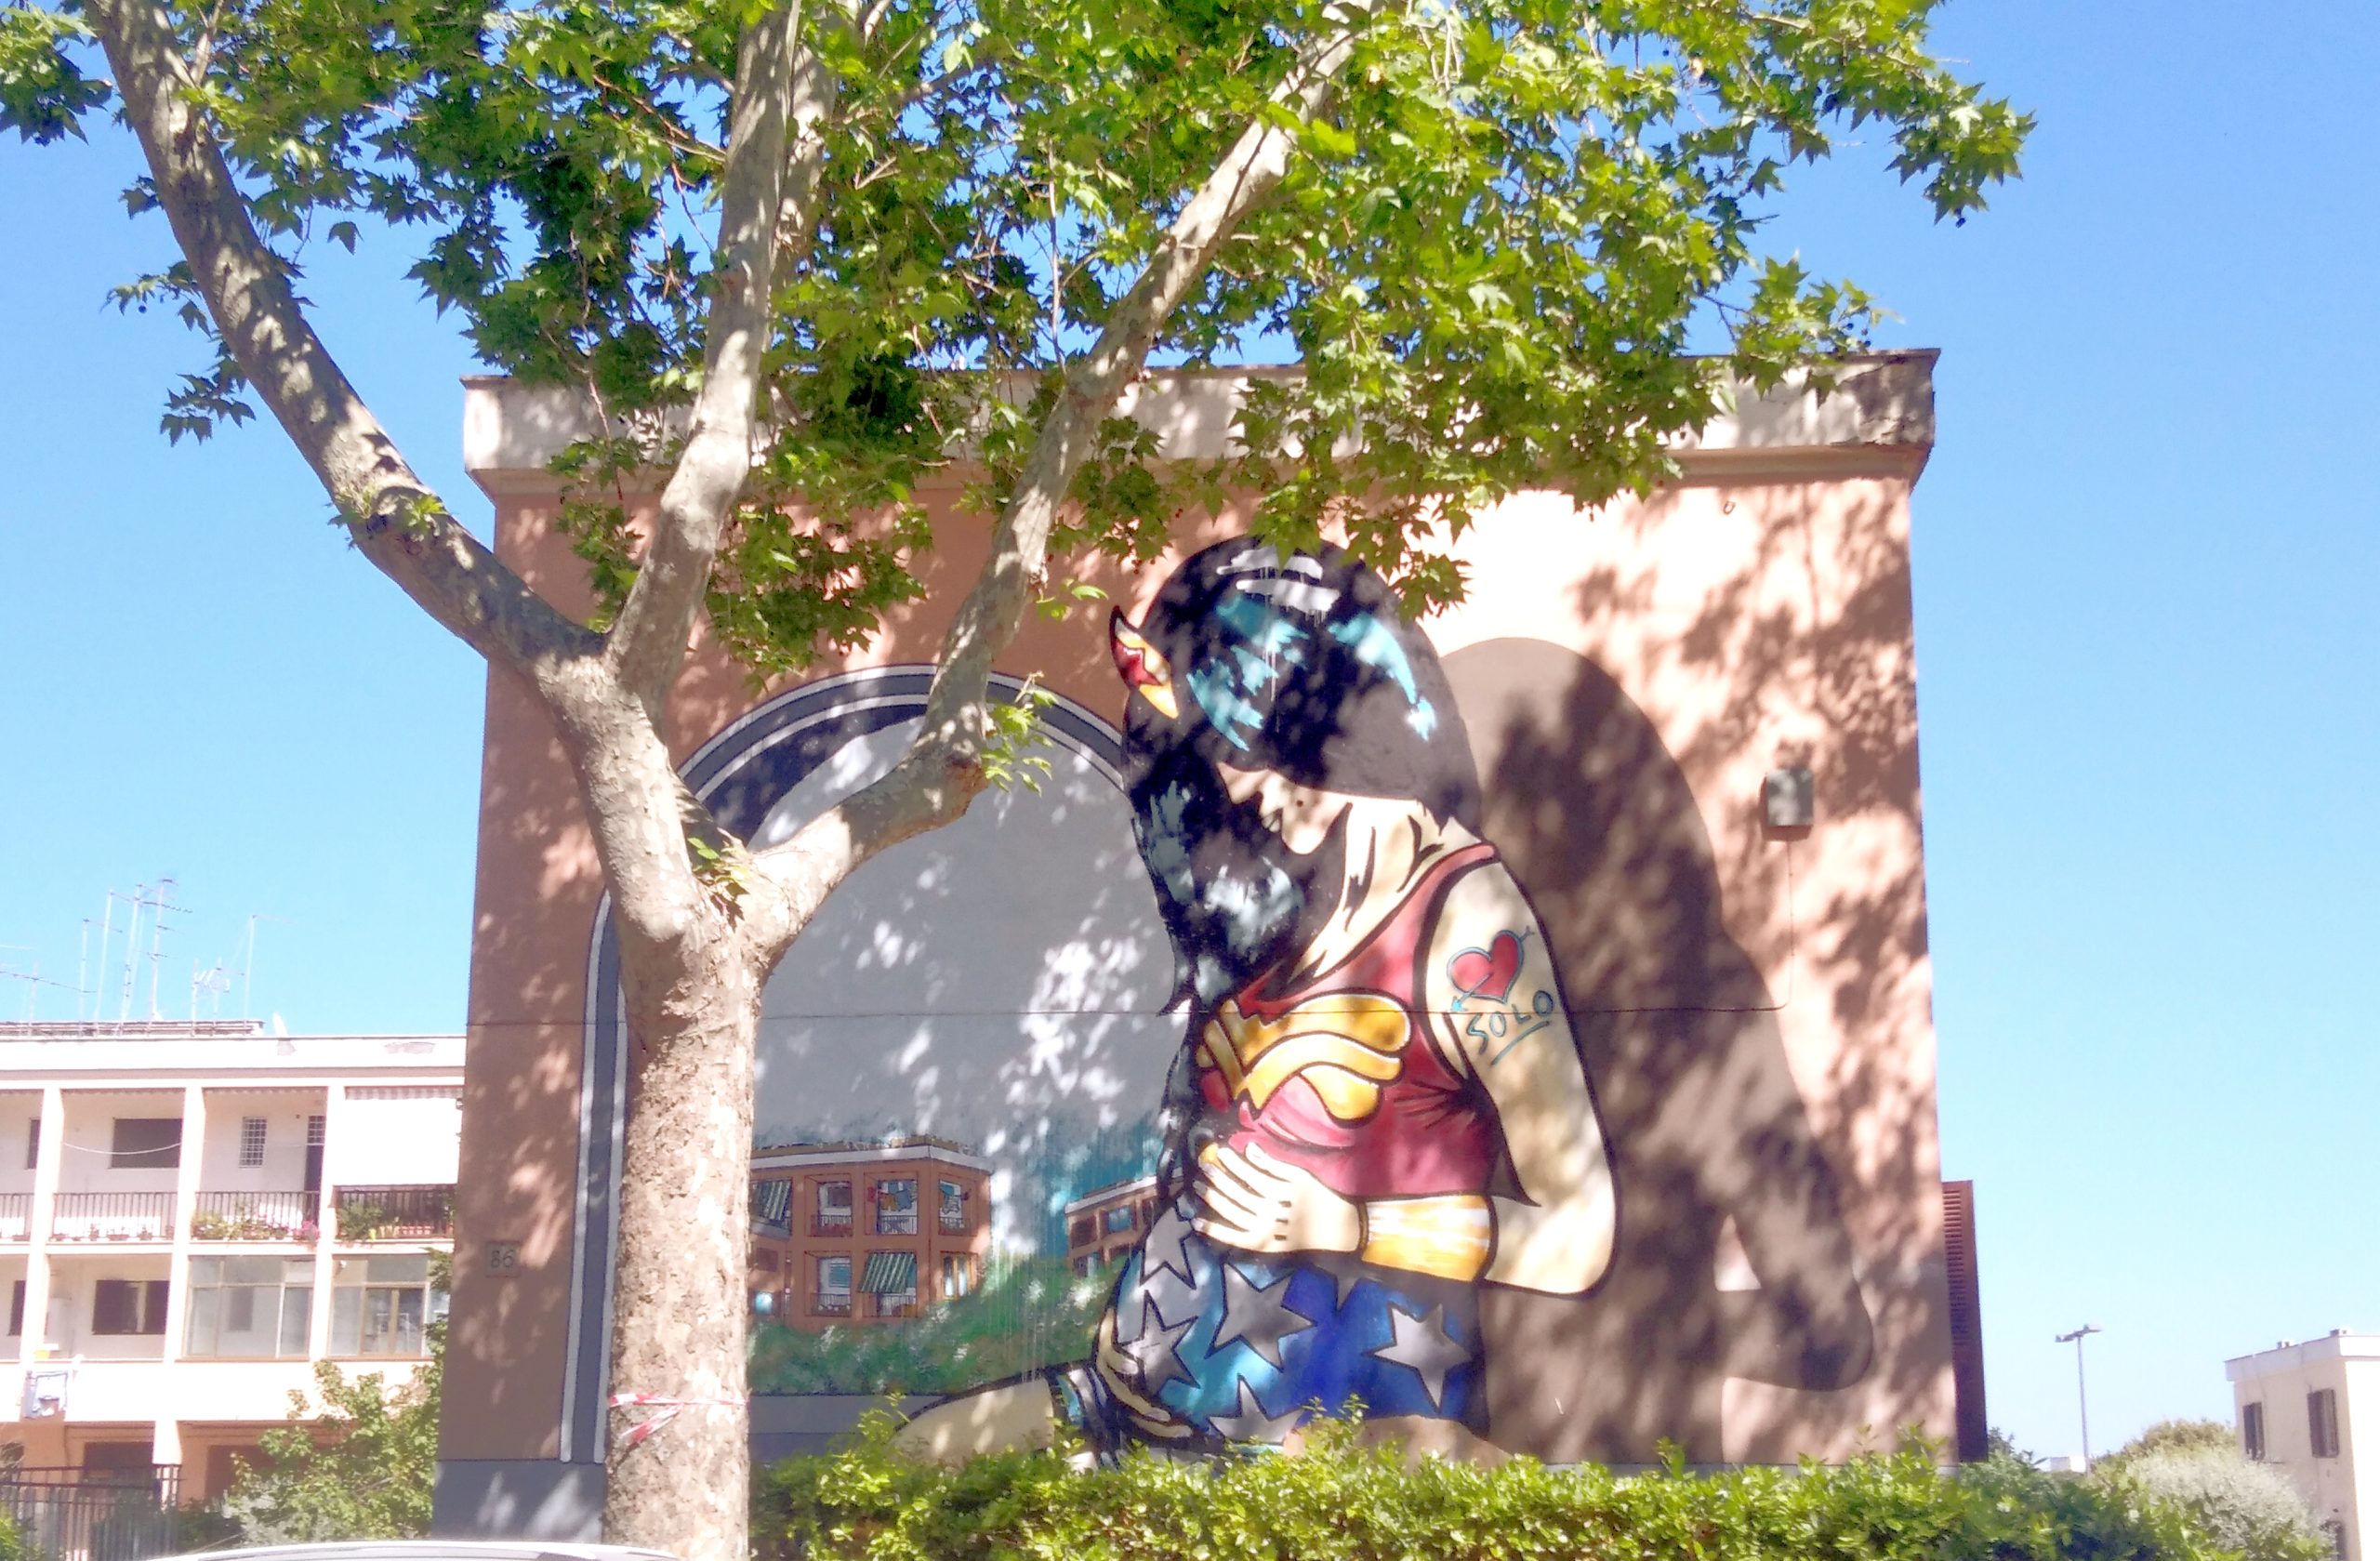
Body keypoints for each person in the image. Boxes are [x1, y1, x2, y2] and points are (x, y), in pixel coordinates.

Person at [897, 539, 1619, 1460]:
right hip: (1131, 1392)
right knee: (901, 1462)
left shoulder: (1467, 920)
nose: (1244, 791)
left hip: (1304, 1440)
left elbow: (1578, 1233)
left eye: (1253, 753)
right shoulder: (1287, 896)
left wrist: (1343, 1222)